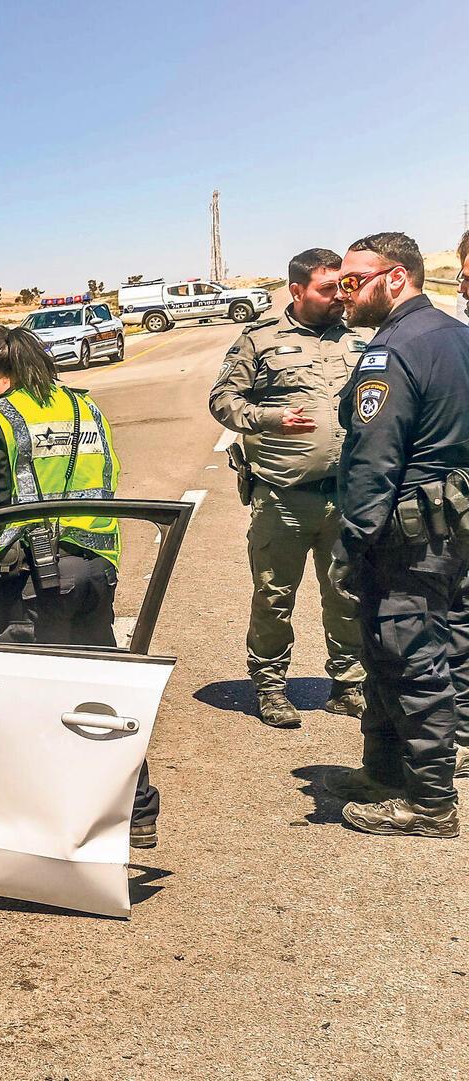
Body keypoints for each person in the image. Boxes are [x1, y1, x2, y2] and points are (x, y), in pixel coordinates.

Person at [0, 324, 159, 848]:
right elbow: (103, 475)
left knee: (26, 706)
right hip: (95, 569)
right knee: (100, 697)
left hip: (33, 584)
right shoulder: (83, 406)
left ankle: (36, 825)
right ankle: (138, 810)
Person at [326, 231, 469, 838]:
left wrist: (351, 542)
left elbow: (372, 458)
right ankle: (384, 774)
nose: (342, 294)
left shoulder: (391, 351)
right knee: (401, 652)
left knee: (410, 661)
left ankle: (431, 803)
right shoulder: (456, 335)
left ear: (395, 278)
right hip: (449, 527)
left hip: (404, 536)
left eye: (352, 282)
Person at [207, 249, 365, 728]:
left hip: (347, 494)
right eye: (327, 288)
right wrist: (269, 418)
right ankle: (271, 686)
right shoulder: (260, 340)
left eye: (344, 286)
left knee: (347, 594)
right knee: (274, 596)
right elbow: (222, 400)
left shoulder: (359, 337)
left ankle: (348, 686)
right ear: (296, 290)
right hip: (282, 496)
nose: (339, 296)